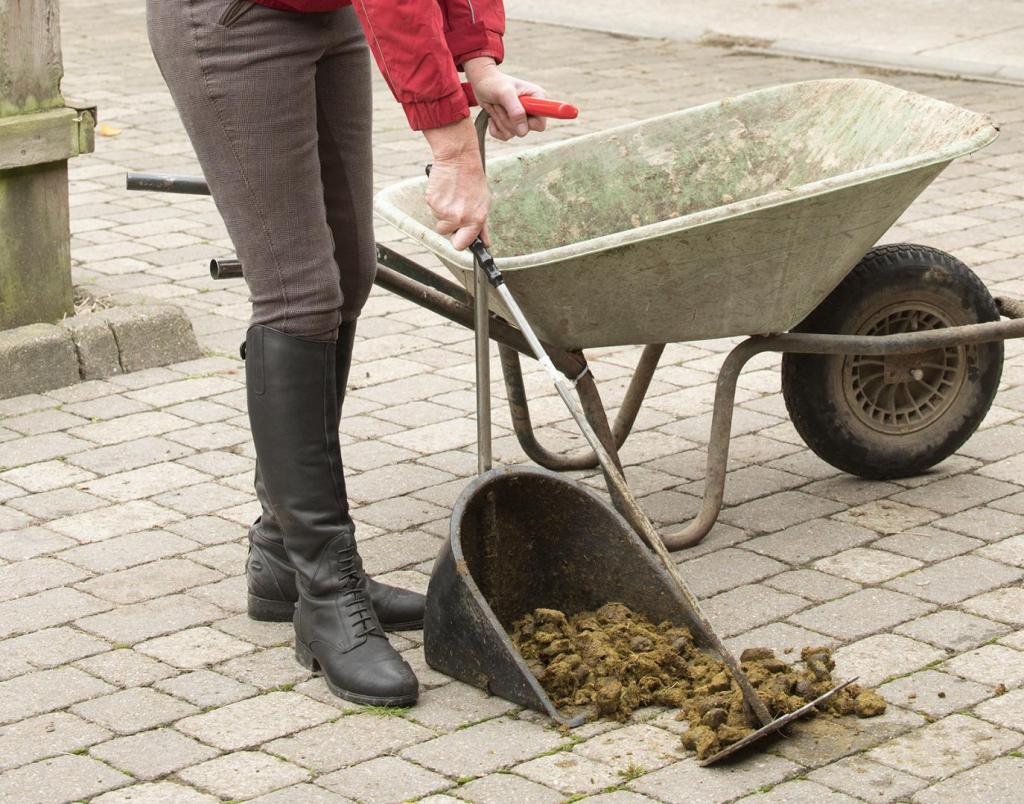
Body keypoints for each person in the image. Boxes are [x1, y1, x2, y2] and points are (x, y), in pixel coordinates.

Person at [147, 0, 547, 707]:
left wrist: (477, 60)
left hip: (326, 14)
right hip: (231, 20)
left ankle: (281, 552)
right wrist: (453, 147)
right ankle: (325, 593)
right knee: (298, 294)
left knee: (348, 268)